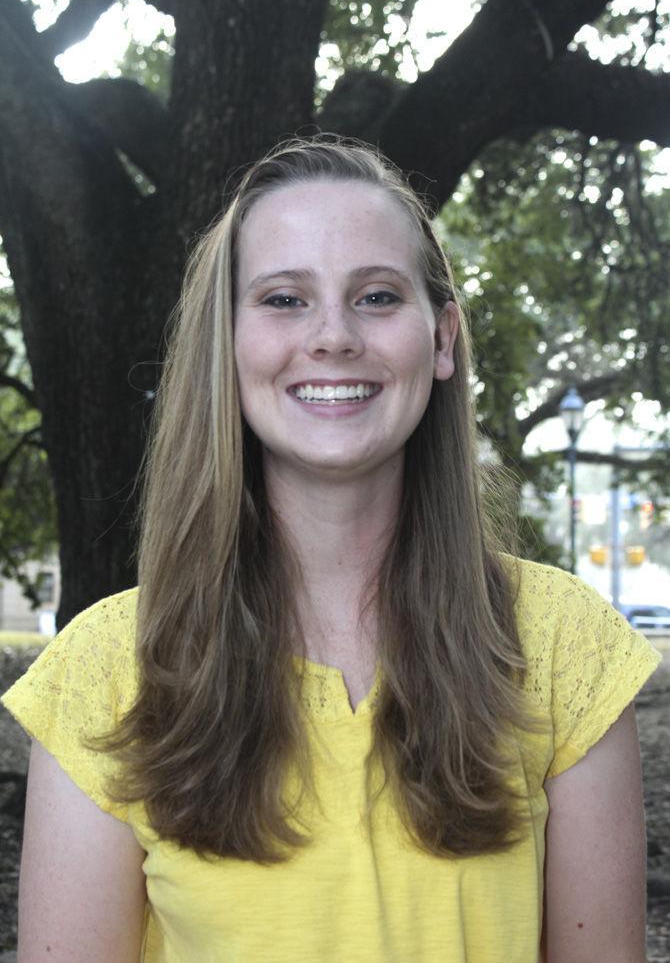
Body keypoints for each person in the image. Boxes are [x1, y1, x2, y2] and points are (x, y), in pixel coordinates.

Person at [2, 136, 660, 962]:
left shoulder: (566, 648)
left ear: (443, 337)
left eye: (378, 296)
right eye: (284, 299)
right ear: (226, 342)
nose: (333, 336)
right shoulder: (103, 674)